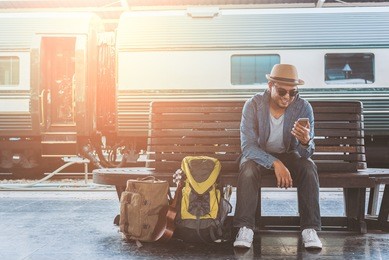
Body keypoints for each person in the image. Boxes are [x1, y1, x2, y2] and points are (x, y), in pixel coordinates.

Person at [233, 64, 322, 250]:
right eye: (282, 91)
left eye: (293, 93)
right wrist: (275, 163)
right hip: (258, 154)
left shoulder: (303, 107)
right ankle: (245, 227)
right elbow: (248, 146)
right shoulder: (253, 105)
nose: (287, 97)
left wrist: (306, 141)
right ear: (270, 85)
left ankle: (309, 229)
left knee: (309, 167)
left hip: (289, 155)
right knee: (248, 169)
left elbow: (306, 154)